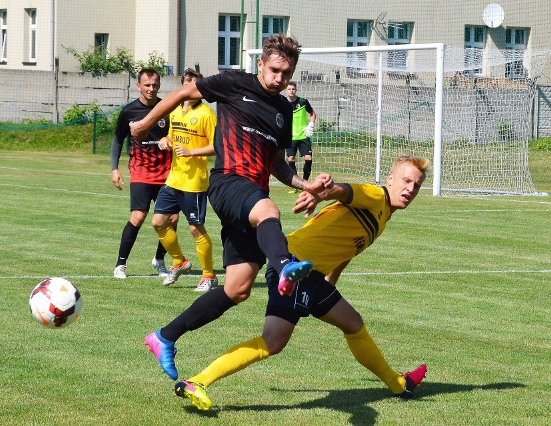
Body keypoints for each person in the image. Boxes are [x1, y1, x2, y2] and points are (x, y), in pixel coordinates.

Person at [129, 34, 333, 381]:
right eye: (274, 70)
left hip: (253, 196)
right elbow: (182, 93)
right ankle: (284, 266)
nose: (280, 79)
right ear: (260, 65)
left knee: (237, 288)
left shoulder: (284, 111)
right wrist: (146, 123)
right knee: (270, 212)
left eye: (287, 73)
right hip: (227, 183)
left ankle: (164, 336)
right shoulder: (234, 82)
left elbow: (278, 164)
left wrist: (304, 184)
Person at [172, 155, 430, 410]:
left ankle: (398, 384)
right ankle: (197, 381)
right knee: (273, 341)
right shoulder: (377, 196)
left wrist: (332, 281)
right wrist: (320, 194)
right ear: (390, 179)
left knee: (353, 324)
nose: (410, 189)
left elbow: (346, 248)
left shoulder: (383, 215)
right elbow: (346, 191)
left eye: (416, 185)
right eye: (406, 181)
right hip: (295, 267)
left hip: (312, 275)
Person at [152, 68, 218, 292]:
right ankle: (179, 262)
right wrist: (164, 140)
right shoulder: (175, 111)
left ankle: (209, 276)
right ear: (181, 86)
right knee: (159, 222)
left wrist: (191, 151)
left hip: (195, 182)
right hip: (174, 178)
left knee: (195, 229)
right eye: (187, 83)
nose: (191, 87)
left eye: (196, 84)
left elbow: (217, 146)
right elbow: (171, 136)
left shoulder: (207, 115)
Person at [111, 68, 177, 279]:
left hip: (167, 172)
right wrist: (115, 168)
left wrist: (170, 141)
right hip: (141, 171)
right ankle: (120, 265)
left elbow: (178, 135)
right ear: (138, 86)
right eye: (147, 85)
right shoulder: (129, 111)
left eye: (155, 85)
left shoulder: (167, 108)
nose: (151, 88)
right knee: (138, 217)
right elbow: (118, 139)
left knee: (173, 219)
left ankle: (159, 260)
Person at [284, 81, 316, 194]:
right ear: (286, 90)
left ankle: (305, 184)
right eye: (289, 89)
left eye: (293, 89)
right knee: (291, 159)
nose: (291, 91)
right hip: (290, 137)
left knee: (308, 158)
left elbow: (312, 114)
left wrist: (310, 125)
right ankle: (295, 185)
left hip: (303, 135)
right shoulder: (283, 102)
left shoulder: (303, 101)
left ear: (296, 90)